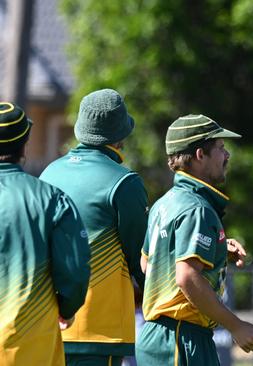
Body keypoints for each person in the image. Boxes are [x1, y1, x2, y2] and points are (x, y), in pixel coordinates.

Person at [136, 114, 253, 366]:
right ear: (199, 155)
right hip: (181, 338)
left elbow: (146, 265)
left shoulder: (163, 204)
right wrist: (236, 325)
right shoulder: (197, 208)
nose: (226, 155)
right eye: (220, 148)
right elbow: (185, 276)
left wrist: (216, 251)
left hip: (160, 338)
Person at [40, 89, 148, 366]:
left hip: (47, 324)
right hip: (100, 331)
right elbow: (141, 258)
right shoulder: (125, 182)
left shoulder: (48, 174)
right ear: (120, 137)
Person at [0, 102, 90, 365]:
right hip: (32, 345)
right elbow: (74, 270)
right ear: (24, 144)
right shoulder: (52, 199)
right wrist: (67, 309)